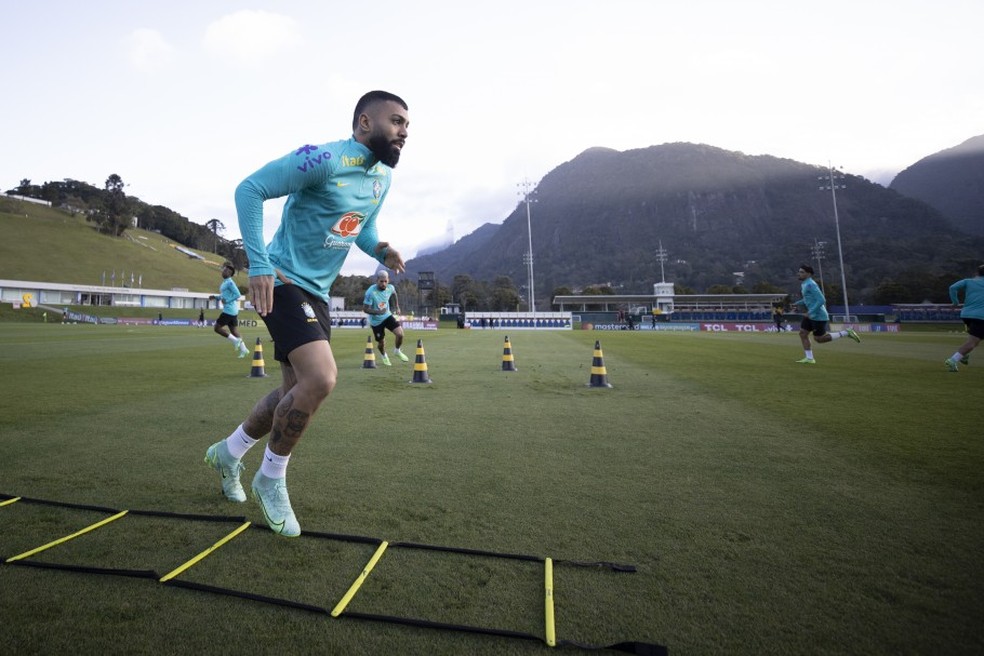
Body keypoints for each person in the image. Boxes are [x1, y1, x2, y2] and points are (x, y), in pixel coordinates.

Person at [204, 90, 409, 537]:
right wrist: (258, 263)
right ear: (363, 124)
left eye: (407, 125)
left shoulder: (381, 180)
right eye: (395, 122)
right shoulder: (324, 159)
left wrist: (380, 247)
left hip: (317, 291)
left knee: (293, 392)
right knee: (321, 379)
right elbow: (250, 189)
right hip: (281, 278)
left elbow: (361, 225)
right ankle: (270, 478)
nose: (404, 132)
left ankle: (229, 452)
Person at [791, 264, 861, 364]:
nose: (799, 274)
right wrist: (797, 303)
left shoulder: (811, 284)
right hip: (811, 315)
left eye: (802, 272)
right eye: (799, 271)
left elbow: (821, 300)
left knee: (819, 339)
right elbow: (807, 299)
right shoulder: (804, 284)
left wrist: (810, 312)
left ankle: (846, 332)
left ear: (809, 274)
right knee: (803, 333)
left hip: (818, 316)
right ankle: (810, 358)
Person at [943, 263, 984, 372]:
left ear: (977, 273)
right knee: (972, 342)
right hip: (981, 317)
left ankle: (964, 355)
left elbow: (952, 287)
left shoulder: (968, 281)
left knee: (976, 340)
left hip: (966, 315)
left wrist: (955, 302)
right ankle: (953, 360)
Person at [363, 270, 408, 365]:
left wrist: (397, 306)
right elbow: (365, 309)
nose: (384, 284)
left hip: (387, 316)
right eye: (381, 281)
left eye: (385, 281)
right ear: (377, 280)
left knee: (400, 334)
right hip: (376, 321)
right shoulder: (370, 292)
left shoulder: (390, 288)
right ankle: (384, 355)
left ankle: (397, 351)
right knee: (381, 343)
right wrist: (378, 312)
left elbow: (394, 293)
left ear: (388, 280)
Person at [209, 262, 250, 358]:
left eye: (227, 270)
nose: (224, 271)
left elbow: (238, 294)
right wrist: (215, 297)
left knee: (217, 328)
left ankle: (235, 341)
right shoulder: (225, 282)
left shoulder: (230, 282)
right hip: (233, 310)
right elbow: (223, 296)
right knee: (234, 331)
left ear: (230, 274)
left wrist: (227, 301)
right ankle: (244, 349)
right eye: (224, 269)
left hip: (229, 310)